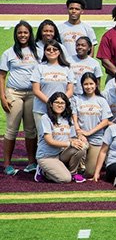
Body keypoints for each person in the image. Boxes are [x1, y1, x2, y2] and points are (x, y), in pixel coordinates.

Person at [1, 21, 39, 175]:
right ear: (15, 35)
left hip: (32, 93)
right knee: (12, 129)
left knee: (31, 130)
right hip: (14, 93)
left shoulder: (38, 51)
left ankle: (31, 162)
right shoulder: (8, 53)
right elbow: (2, 76)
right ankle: (7, 164)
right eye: (19, 32)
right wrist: (3, 98)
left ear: (30, 34)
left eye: (25, 32)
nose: (22, 35)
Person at [34, 92, 87, 184]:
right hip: (47, 157)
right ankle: (43, 171)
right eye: (57, 102)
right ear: (51, 104)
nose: (60, 105)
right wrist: (69, 143)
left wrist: (79, 139)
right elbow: (49, 140)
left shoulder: (67, 119)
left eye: (62, 103)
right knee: (65, 179)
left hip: (61, 154)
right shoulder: (45, 118)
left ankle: (73, 173)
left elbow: (70, 138)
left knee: (81, 147)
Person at [72, 73, 112, 178]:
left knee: (90, 173)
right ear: (81, 85)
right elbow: (74, 118)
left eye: (91, 84)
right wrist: (79, 133)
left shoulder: (101, 100)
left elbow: (105, 121)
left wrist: (89, 132)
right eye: (86, 84)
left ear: (96, 84)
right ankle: (75, 168)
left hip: (96, 138)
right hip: (80, 137)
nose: (89, 87)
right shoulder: (77, 99)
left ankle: (84, 166)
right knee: (79, 148)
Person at [31, 39, 75, 134]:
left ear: (59, 52)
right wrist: (51, 103)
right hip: (41, 109)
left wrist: (60, 103)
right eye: (48, 49)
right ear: (44, 52)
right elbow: (36, 90)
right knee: (43, 137)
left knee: (61, 135)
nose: (51, 51)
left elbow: (70, 90)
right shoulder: (39, 67)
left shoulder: (67, 69)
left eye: (54, 49)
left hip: (62, 110)